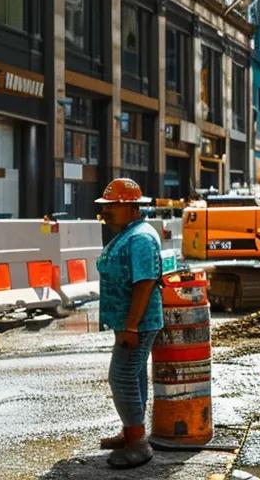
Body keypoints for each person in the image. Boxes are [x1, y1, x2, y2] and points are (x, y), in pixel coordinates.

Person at [94, 178, 165, 470]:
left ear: (132, 207)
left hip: (138, 323)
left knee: (121, 377)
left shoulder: (140, 238)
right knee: (133, 377)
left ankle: (138, 443)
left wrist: (132, 326)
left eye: (112, 206)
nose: (106, 211)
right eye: (106, 205)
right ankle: (131, 432)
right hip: (130, 322)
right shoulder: (130, 233)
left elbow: (145, 283)